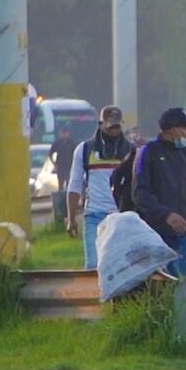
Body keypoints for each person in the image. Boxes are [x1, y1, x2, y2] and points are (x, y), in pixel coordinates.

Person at [67, 106, 133, 270]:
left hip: (122, 216)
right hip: (94, 216)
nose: (114, 130)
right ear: (101, 124)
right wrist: (71, 218)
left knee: (121, 267)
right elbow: (75, 184)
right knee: (93, 267)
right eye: (110, 126)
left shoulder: (131, 150)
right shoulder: (84, 150)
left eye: (117, 126)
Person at [134, 108, 186, 279]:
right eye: (185, 128)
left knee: (181, 284)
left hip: (180, 233)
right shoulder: (149, 152)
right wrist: (166, 215)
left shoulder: (185, 154)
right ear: (172, 130)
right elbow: (140, 193)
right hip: (156, 232)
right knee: (159, 285)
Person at [48, 126, 78, 223]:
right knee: (60, 187)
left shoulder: (72, 143)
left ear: (68, 133)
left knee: (70, 187)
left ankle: (71, 207)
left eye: (65, 133)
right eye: (62, 133)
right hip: (61, 167)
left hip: (70, 167)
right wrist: (54, 164)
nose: (64, 135)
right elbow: (50, 154)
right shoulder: (57, 143)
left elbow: (76, 154)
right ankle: (61, 207)